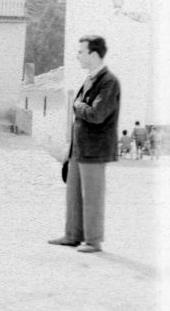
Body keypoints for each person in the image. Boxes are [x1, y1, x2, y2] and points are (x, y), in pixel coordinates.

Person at [49, 35, 120, 253]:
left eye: (81, 52)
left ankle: (93, 240)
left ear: (94, 54)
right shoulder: (90, 79)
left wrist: (77, 105)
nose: (77, 56)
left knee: (92, 196)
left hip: (94, 150)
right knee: (73, 194)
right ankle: (72, 236)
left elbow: (96, 114)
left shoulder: (108, 82)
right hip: (79, 149)